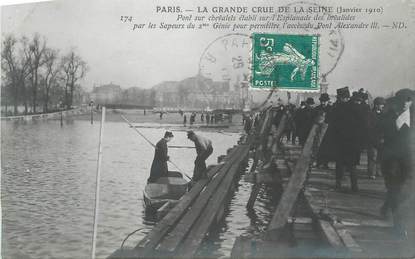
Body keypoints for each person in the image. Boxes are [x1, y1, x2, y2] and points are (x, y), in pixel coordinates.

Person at [380, 91, 412, 236]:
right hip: (391, 161)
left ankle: (387, 207)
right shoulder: (388, 117)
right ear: (397, 101)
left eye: (409, 100)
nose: (405, 103)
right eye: (403, 100)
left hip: (410, 160)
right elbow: (375, 133)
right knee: (395, 189)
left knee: (405, 191)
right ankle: (398, 225)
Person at [331, 87, 365, 192]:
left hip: (344, 141)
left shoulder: (338, 108)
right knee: (351, 166)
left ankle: (339, 185)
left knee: (341, 164)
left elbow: (333, 124)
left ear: (343, 98)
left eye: (340, 98)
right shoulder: (356, 107)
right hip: (353, 142)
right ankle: (354, 187)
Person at [367, 97, 386, 179]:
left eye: (383, 105)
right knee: (373, 156)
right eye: (381, 104)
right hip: (372, 139)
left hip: (382, 139)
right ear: (376, 105)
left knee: (380, 156)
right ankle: (371, 173)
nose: (382, 106)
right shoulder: (370, 114)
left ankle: (378, 171)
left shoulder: (384, 114)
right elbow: (368, 127)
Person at [315, 93, 332, 168]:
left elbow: (333, 119)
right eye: (322, 101)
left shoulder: (331, 109)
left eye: (325, 101)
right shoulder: (317, 108)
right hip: (318, 130)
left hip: (328, 130)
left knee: (327, 147)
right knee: (318, 146)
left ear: (327, 101)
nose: (323, 102)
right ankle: (318, 162)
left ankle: (325, 163)